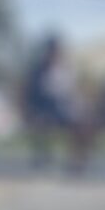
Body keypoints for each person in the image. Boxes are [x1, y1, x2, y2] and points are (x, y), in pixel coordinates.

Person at [18, 32, 88, 169]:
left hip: (62, 111)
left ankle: (76, 162)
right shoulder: (38, 72)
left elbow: (70, 94)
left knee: (82, 125)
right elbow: (33, 96)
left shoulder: (66, 71)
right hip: (44, 111)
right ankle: (42, 160)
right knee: (42, 126)